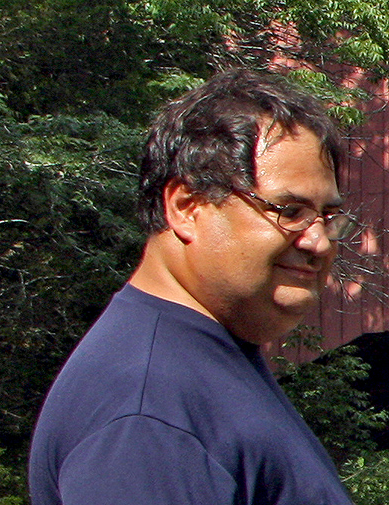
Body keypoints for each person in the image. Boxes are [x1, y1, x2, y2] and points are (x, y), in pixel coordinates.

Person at [28, 68, 357, 505]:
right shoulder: (147, 413)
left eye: (327, 217)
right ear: (187, 207)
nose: (317, 241)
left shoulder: (203, 363)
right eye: (289, 210)